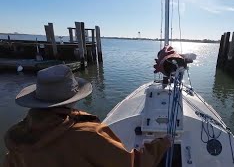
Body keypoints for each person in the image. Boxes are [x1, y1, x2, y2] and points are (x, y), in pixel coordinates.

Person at [3, 64, 171, 167]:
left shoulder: (19, 136)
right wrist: (162, 144)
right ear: (73, 99)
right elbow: (131, 164)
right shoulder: (88, 134)